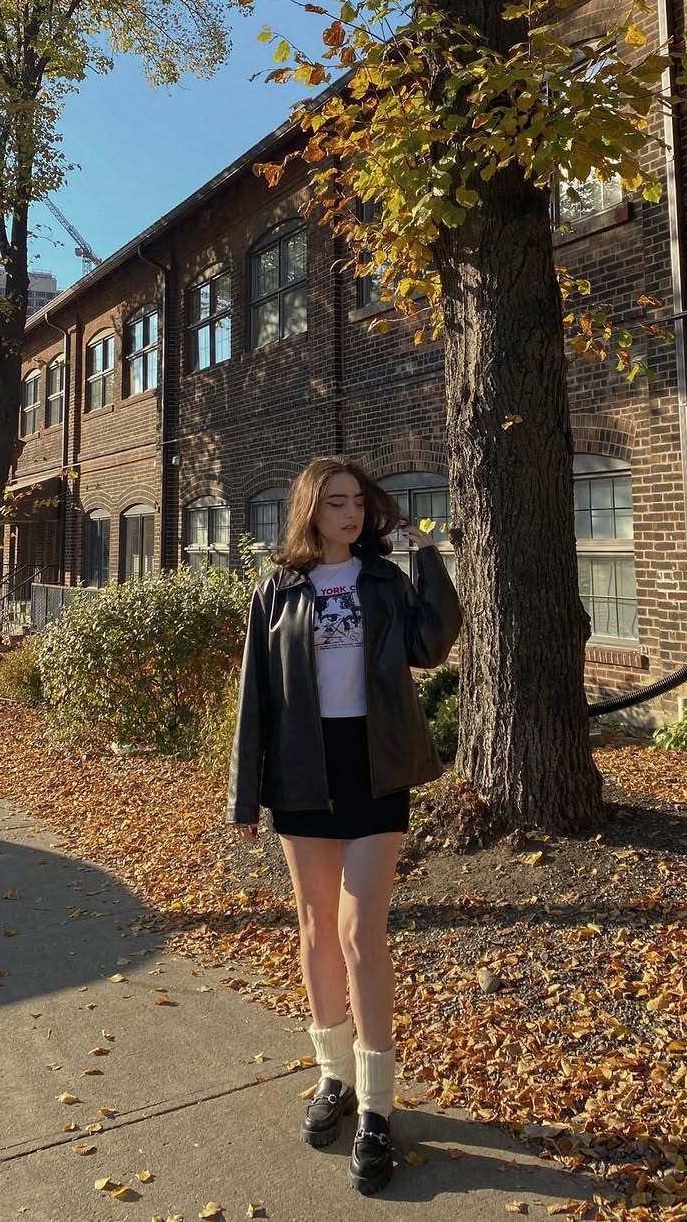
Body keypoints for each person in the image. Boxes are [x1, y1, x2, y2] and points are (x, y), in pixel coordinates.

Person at [227, 456, 462, 1195]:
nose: (350, 513)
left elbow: (431, 645)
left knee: (362, 932)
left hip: (376, 768)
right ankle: (333, 1075)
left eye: (357, 501)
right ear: (310, 510)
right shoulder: (276, 590)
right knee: (315, 927)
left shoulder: (385, 583)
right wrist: (244, 798)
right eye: (335, 502)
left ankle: (378, 1105)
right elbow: (254, 699)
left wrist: (430, 558)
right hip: (301, 775)